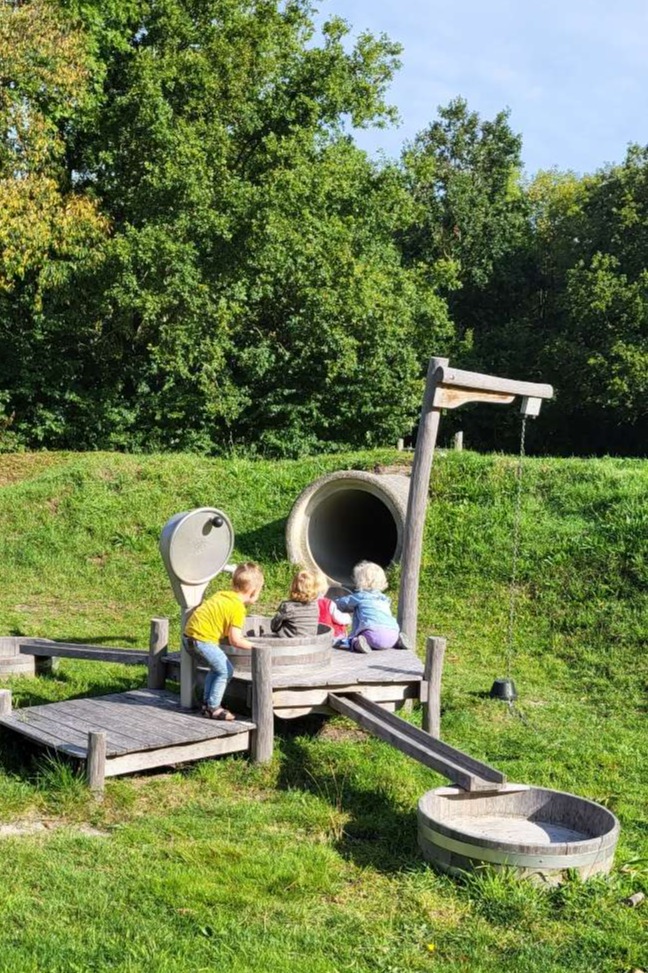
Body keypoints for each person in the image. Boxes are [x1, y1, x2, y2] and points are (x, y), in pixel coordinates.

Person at [183, 561, 264, 720]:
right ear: (253, 592)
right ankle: (214, 707)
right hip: (202, 640)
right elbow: (235, 640)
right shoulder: (237, 608)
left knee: (217, 669)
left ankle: (207, 704)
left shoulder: (222, 595)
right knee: (226, 670)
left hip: (189, 638)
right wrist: (257, 647)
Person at [335, 560, 410, 653]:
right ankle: (398, 641)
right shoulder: (384, 599)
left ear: (360, 581)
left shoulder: (360, 597)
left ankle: (357, 643)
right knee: (384, 633)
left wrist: (333, 602)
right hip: (393, 634)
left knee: (348, 641)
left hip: (372, 635)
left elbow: (342, 603)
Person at [271, 568, 319, 638]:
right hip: (309, 644)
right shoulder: (315, 606)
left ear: (293, 587)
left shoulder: (287, 606)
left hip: (289, 644)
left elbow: (274, 627)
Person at [314, 570, 352, 640]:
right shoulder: (328, 603)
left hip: (311, 636)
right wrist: (348, 618)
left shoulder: (301, 603)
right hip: (329, 637)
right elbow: (339, 619)